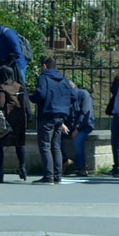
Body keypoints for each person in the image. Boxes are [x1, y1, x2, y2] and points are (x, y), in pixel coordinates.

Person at [30, 56, 74, 184]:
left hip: (47, 115)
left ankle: (48, 176)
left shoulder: (44, 78)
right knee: (56, 146)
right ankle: (57, 176)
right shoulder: (64, 80)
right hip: (60, 116)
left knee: (45, 146)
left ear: (44, 66)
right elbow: (73, 96)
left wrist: (32, 98)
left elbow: (41, 95)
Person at [0, 64, 28, 183]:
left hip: (7, 122)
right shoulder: (19, 86)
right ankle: (22, 167)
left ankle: (0, 172)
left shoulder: (2, 88)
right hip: (20, 120)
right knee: (19, 144)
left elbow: (0, 104)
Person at [64, 84, 95, 176]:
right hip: (70, 125)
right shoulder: (65, 96)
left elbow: (85, 113)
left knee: (77, 140)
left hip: (85, 125)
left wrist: (77, 129)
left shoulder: (83, 95)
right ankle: (65, 161)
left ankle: (82, 167)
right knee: (55, 137)